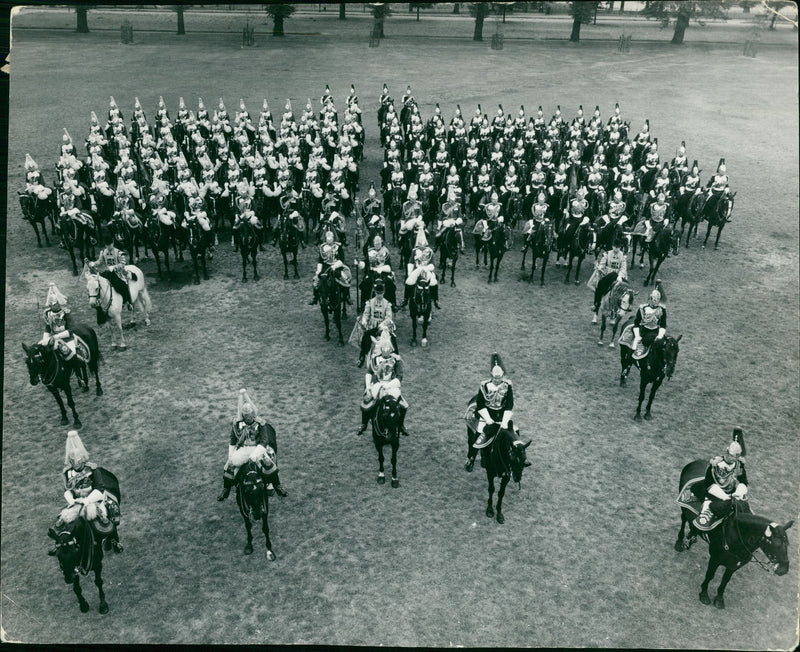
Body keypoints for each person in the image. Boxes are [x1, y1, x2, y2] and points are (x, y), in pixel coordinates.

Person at [50, 430, 122, 554]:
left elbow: (100, 489)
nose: (75, 464)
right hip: (76, 501)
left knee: (105, 516)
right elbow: (67, 490)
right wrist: (72, 501)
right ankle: (62, 545)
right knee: (63, 520)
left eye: (77, 461)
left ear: (82, 459)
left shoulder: (92, 469)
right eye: (72, 461)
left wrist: (87, 501)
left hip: (93, 500)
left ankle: (113, 539)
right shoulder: (67, 472)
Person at [218, 389, 287, 501]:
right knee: (230, 465)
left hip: (257, 449)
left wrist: (255, 454)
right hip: (242, 449)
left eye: (250, 415)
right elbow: (233, 440)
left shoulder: (260, 423)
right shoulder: (237, 424)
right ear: (243, 415)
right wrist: (231, 454)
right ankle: (226, 489)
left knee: (269, 463)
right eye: (246, 416)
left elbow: (264, 440)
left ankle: (277, 486)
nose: (249, 418)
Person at [466, 354, 514, 470]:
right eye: (495, 378)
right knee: (478, 435)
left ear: (503, 376)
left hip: (502, 415)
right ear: (491, 376)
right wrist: (488, 419)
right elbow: (481, 403)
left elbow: (509, 404)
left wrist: (504, 421)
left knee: (514, 432)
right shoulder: (484, 386)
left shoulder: (507, 386)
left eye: (499, 377)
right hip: (487, 415)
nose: (497, 380)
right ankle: (471, 457)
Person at [694, 429, 749, 529]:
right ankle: (692, 534)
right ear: (727, 453)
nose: (733, 459)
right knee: (704, 518)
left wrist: (739, 493)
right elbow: (709, 484)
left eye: (736, 457)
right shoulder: (716, 464)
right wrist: (725, 497)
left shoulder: (739, 464)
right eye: (732, 456)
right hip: (714, 494)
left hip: (733, 493)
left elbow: (743, 481)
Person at [357, 338, 409, 437]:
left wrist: (389, 385)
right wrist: (368, 387)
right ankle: (364, 424)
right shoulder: (375, 359)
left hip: (391, 385)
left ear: (391, 349)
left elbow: (399, 376)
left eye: (388, 348)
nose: (386, 351)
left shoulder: (396, 360)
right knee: (367, 402)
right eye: (384, 348)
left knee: (403, 405)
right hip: (378, 384)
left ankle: (401, 425)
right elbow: (369, 373)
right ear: (381, 349)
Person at [357, 278, 397, 367]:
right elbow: (366, 313)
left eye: (381, 293)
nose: (379, 295)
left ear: (384, 293)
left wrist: (383, 324)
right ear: (375, 292)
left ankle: (396, 357)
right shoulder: (370, 302)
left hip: (383, 326)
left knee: (393, 338)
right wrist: (364, 321)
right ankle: (362, 356)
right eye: (378, 293)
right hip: (372, 325)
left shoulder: (387, 303)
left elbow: (389, 316)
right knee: (366, 337)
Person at [38, 283, 80, 362]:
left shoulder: (65, 313)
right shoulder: (47, 313)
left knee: (72, 358)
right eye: (54, 304)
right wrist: (45, 340)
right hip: (53, 338)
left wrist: (57, 337)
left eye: (57, 303)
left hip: (67, 338)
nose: (57, 305)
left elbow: (71, 329)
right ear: (50, 305)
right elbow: (48, 327)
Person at [590, 238, 628, 323]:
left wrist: (620, 276)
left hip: (618, 276)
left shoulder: (622, 256)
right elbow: (602, 264)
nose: (616, 249)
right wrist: (600, 267)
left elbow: (623, 268)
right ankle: (596, 308)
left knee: (621, 294)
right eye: (615, 247)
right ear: (612, 246)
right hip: (607, 275)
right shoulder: (607, 254)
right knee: (599, 286)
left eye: (618, 247)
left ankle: (613, 316)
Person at [90, 235, 133, 308]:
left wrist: (114, 267)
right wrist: (94, 263)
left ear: (113, 243)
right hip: (108, 272)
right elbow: (100, 261)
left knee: (123, 285)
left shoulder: (119, 252)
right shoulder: (103, 252)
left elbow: (123, 264)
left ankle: (128, 302)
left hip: (119, 272)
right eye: (107, 245)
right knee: (98, 282)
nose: (108, 247)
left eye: (109, 245)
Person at [632, 287, 666, 359]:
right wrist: (637, 336)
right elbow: (636, 322)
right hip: (644, 331)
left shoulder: (662, 309)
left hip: (656, 331)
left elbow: (663, 324)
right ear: (650, 299)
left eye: (657, 300)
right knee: (634, 348)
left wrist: (660, 335)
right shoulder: (642, 308)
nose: (654, 302)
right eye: (653, 299)